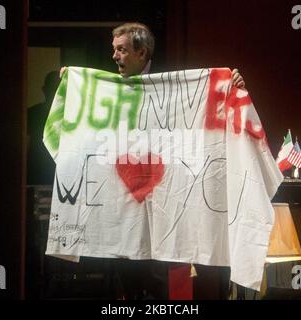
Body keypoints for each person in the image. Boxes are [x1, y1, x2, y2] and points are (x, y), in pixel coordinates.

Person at [59, 22, 246, 300]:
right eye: (114, 50)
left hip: (165, 210)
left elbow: (205, 109)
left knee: (159, 286)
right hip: (123, 214)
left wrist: (231, 86)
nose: (115, 57)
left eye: (121, 50)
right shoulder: (109, 90)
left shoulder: (173, 85)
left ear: (142, 53)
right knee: (128, 283)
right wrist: (73, 85)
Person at [27, 70, 60, 185]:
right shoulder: (32, 114)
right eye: (53, 88)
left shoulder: (72, 116)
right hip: (36, 172)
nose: (55, 92)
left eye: (57, 88)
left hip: (58, 173)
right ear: (44, 90)